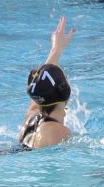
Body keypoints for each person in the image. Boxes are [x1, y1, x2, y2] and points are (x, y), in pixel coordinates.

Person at [18, 16, 75, 150]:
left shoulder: (32, 117)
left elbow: (41, 83)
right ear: (64, 90)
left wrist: (56, 49)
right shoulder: (56, 132)